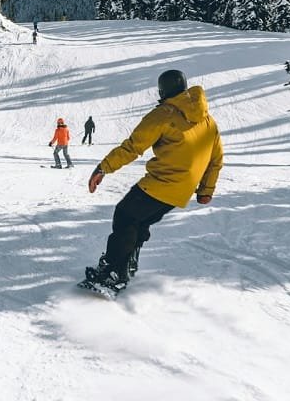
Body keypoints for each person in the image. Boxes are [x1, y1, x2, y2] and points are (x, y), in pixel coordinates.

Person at [85, 69, 223, 293]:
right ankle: (127, 263)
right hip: (181, 191)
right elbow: (215, 159)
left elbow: (132, 147)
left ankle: (114, 271)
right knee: (139, 220)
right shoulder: (208, 120)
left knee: (125, 215)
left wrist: (103, 168)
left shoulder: (164, 114)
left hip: (163, 182)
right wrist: (205, 190)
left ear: (162, 90)